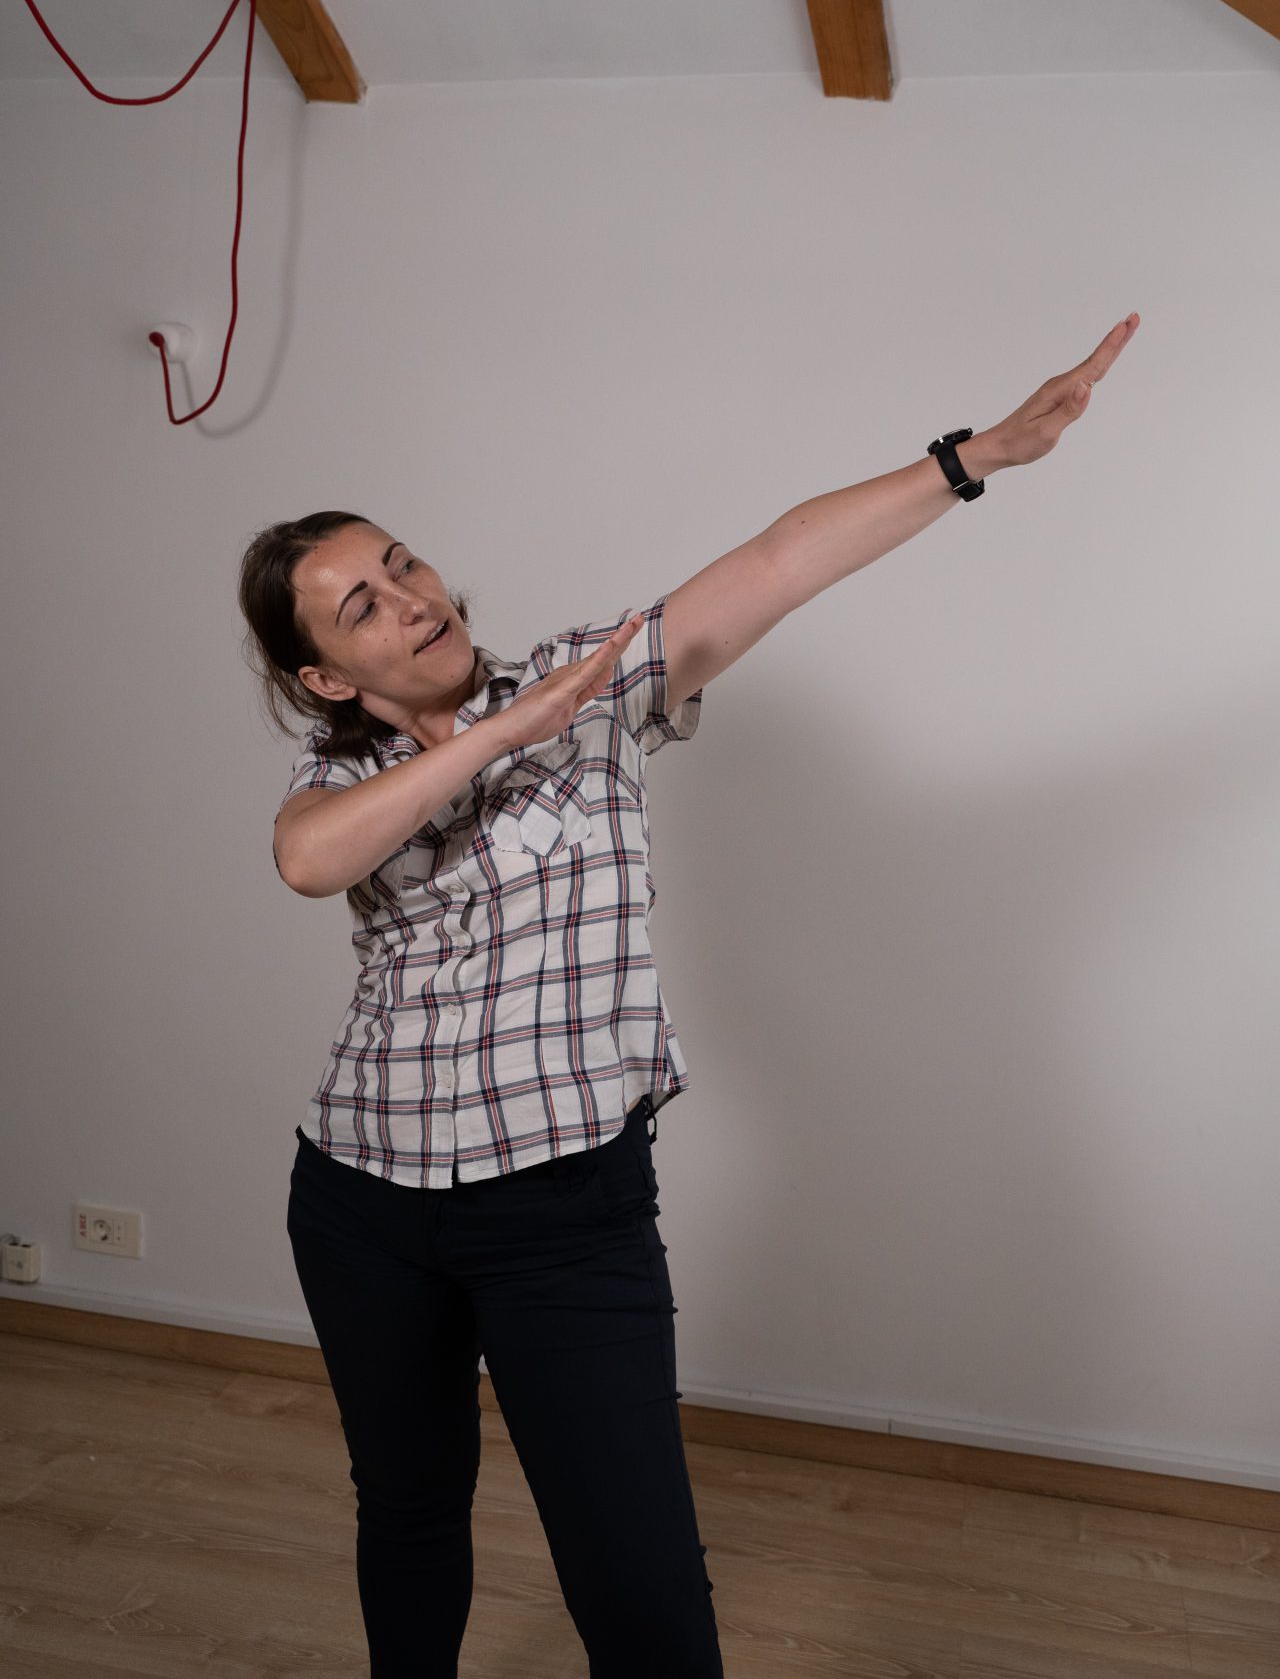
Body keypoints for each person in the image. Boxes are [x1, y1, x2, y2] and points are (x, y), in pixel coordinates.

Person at [235, 306, 1138, 1679]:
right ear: (324, 675)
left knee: (637, 1572)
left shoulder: (593, 685)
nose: (411, 597)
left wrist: (978, 458)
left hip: (564, 1211)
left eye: (401, 562)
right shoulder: (346, 779)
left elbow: (774, 561)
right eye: (362, 604)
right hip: (362, 1200)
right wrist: (497, 735)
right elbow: (309, 862)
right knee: (408, 1508)